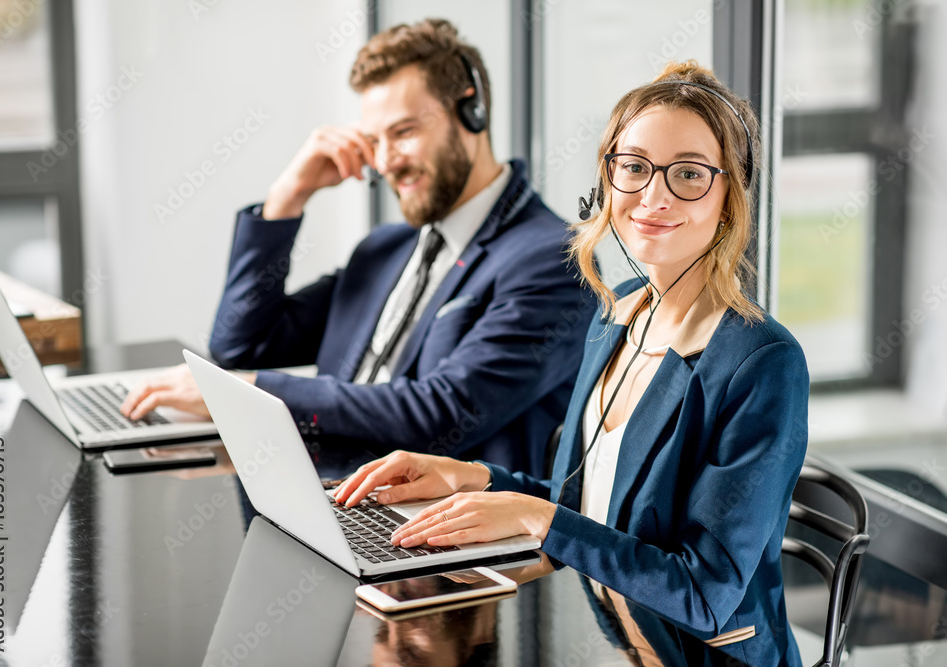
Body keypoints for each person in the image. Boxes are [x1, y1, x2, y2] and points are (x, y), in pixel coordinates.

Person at [334, 61, 810, 665]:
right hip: (619, 637)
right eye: (633, 167)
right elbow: (583, 504)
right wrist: (468, 477)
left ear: (731, 197)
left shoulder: (762, 363)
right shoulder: (619, 316)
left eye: (688, 174)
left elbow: (705, 593)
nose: (652, 197)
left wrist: (538, 518)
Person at [119, 19, 594, 476]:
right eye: (373, 141)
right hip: (329, 491)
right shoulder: (385, 248)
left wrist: (251, 393)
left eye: (405, 132)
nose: (386, 163)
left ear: (472, 112)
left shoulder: (552, 258)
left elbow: (442, 416)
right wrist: (288, 198)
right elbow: (240, 347)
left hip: (442, 534)